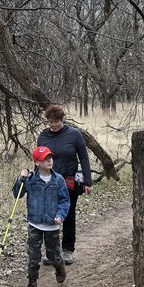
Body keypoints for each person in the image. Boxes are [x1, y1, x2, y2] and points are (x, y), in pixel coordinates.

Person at [12, 145, 70, 287]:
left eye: (50, 157)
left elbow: (65, 201)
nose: (49, 160)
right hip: (35, 224)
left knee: (53, 255)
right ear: (37, 162)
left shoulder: (58, 180)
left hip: (52, 224)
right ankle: (32, 285)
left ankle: (59, 266)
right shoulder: (30, 179)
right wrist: (21, 178)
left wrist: (60, 215)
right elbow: (17, 194)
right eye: (45, 159)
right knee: (33, 257)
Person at [37, 104, 92, 265]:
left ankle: (67, 250)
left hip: (69, 181)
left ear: (62, 120)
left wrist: (87, 181)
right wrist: (35, 180)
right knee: (49, 216)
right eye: (51, 122)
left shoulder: (74, 134)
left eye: (57, 121)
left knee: (67, 215)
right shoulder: (43, 136)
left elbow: (83, 157)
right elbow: (39, 159)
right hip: (49, 180)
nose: (54, 125)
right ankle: (52, 252)